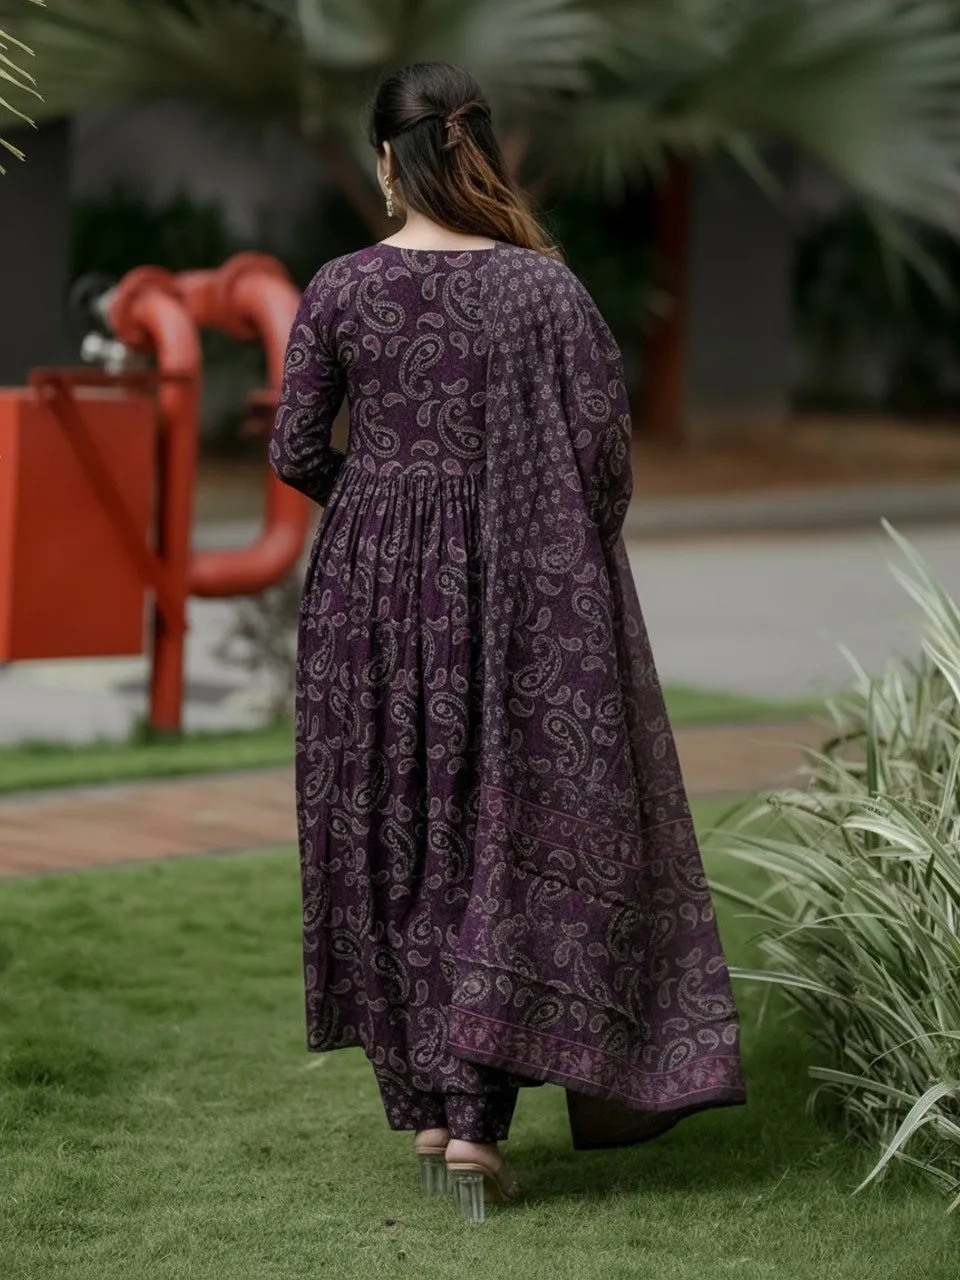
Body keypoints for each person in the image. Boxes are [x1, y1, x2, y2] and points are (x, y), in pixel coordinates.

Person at [270, 61, 745, 1221]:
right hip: (519, 596)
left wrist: (382, 512)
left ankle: (428, 1111)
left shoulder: (339, 286)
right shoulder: (545, 291)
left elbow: (294, 448)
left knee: (392, 833)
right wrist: (530, 542)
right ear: (473, 152)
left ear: (388, 162)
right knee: (499, 827)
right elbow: (603, 464)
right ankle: (477, 1126)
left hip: (367, 600)